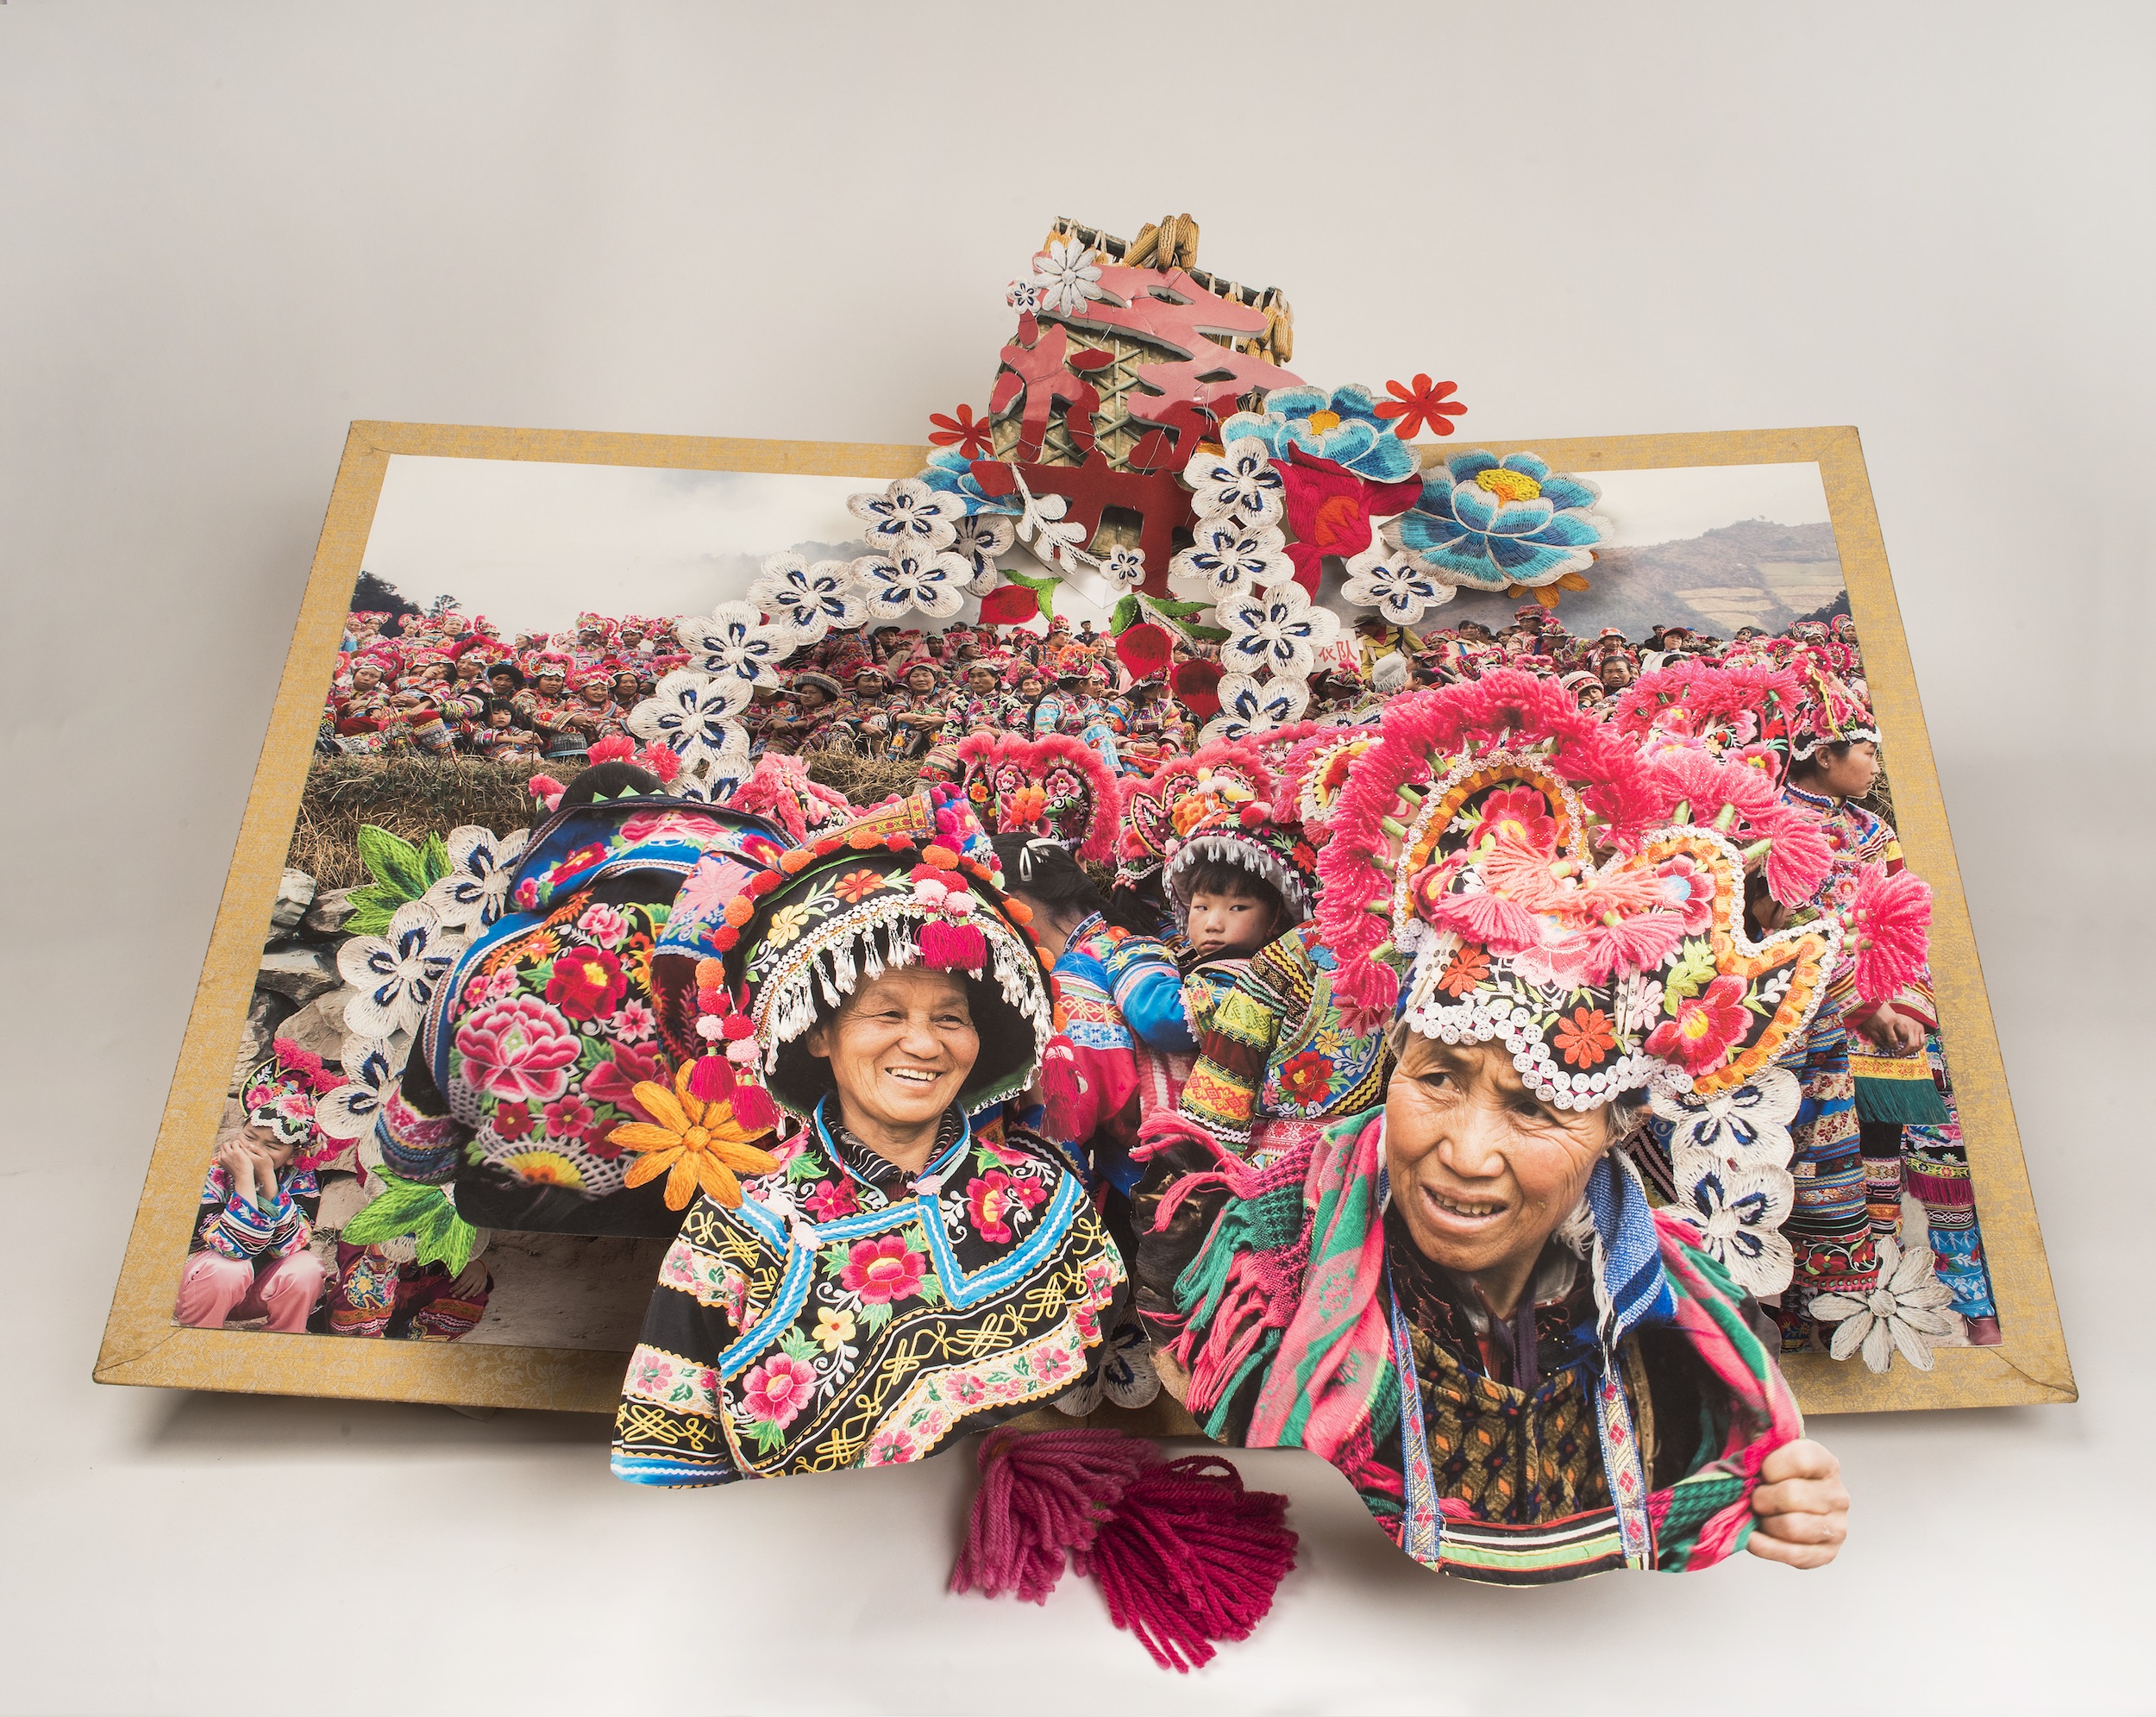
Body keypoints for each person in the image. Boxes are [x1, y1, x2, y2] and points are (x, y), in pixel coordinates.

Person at [1135, 672, 1853, 1581]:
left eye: (1535, 1107)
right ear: (1392, 1058)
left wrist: (1789, 1498)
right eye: (1436, 1077)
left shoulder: (1692, 1324)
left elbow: (1750, 1475)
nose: (1464, 1153)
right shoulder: (1236, 1269)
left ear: (1616, 1127)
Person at [610, 788, 1125, 1485]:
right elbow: (664, 1465)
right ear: (820, 1033)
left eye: (950, 1017)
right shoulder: (739, 1227)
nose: (924, 1043)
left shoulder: (1043, 1199)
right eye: (886, 1012)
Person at [173, 1041, 335, 1332]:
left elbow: (290, 1247)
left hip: (251, 1293)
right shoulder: (213, 1173)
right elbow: (234, 1249)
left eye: (272, 1146)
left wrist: (268, 1183)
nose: (255, 1149)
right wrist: (246, 1179)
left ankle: (282, 1343)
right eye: (250, 1137)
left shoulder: (301, 1181)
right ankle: (198, 1340)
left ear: (294, 1155)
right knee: (228, 1268)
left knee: (307, 1267)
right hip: (200, 1288)